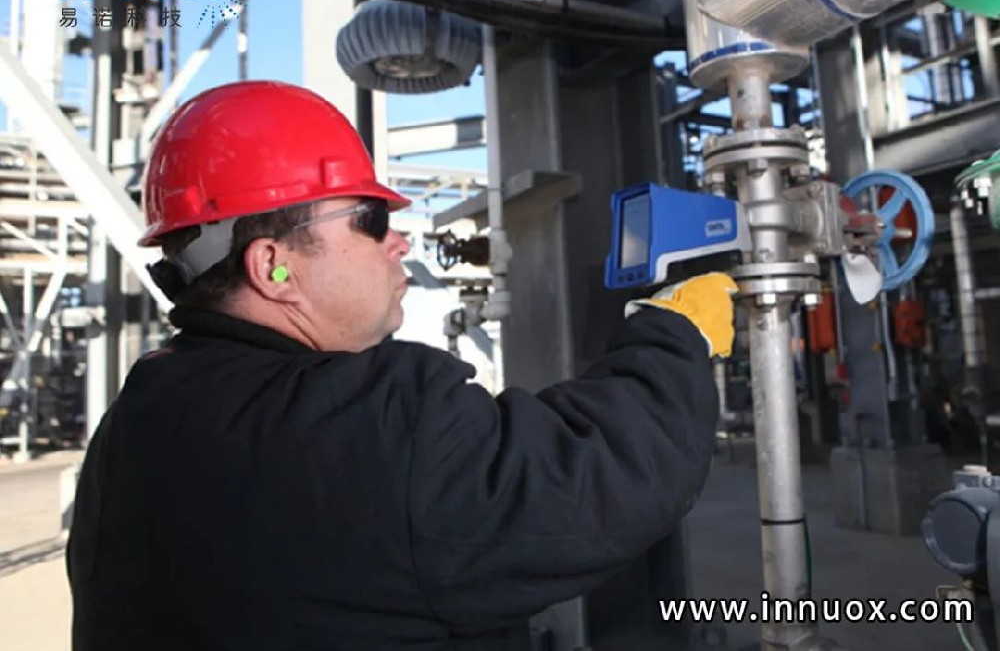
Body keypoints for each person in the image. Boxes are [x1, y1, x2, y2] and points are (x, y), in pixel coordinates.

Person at [66, 80, 737, 651]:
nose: (399, 242)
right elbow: (599, 476)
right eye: (369, 218)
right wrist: (672, 334)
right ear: (273, 266)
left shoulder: (136, 419)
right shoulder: (367, 420)